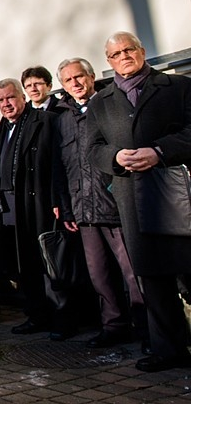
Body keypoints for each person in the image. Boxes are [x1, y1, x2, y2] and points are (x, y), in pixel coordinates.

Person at [87, 32, 190, 372]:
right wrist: (116, 157)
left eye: (129, 49)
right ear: (109, 61)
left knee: (193, 270)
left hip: (177, 192)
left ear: (142, 51)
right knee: (151, 277)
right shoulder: (101, 102)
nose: (124, 56)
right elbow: (93, 149)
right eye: (115, 53)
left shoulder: (176, 87)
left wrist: (160, 151)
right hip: (132, 197)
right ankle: (169, 349)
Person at [53, 57, 147, 349]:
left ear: (92, 77)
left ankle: (146, 330)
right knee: (100, 275)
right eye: (68, 80)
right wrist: (66, 207)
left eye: (80, 77)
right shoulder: (62, 119)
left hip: (116, 205)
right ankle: (114, 326)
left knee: (133, 273)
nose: (76, 83)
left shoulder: (109, 104)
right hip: (84, 211)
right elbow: (61, 166)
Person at [0, 79, 73, 340]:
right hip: (11, 206)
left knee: (49, 262)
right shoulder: (4, 126)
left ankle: (62, 319)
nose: (6, 104)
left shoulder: (45, 120)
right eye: (1, 100)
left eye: (10, 97)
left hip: (39, 202)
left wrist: (59, 200)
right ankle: (36, 315)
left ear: (22, 96)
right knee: (25, 264)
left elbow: (59, 164)